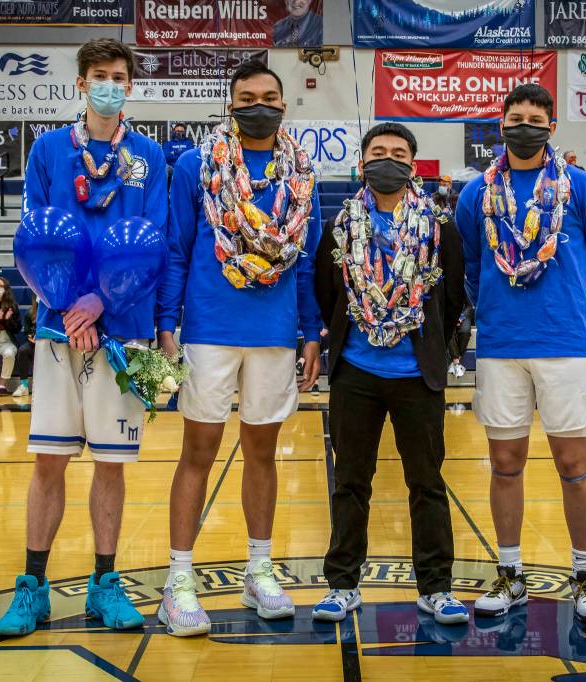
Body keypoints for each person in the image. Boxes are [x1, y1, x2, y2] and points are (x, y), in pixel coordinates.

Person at [0, 38, 168, 637]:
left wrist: (102, 302)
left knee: (112, 467)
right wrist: (70, 304)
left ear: (130, 85)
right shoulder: (47, 151)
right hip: (56, 328)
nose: (109, 85)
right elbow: (36, 239)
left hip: (125, 333)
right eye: (99, 75)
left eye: (119, 76)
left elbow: (156, 242)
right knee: (48, 462)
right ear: (80, 83)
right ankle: (33, 587)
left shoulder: (149, 156)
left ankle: (104, 583)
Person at [155, 61, 323, 637]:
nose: (260, 104)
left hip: (275, 335)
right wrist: (167, 325)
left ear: (283, 104)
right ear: (230, 106)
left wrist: (311, 333)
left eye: (270, 96)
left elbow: (303, 263)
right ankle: (178, 581)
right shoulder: (194, 166)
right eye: (247, 97)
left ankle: (260, 568)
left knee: (261, 454)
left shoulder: (302, 174)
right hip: (207, 329)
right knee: (197, 453)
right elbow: (177, 250)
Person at [456, 83, 586, 624]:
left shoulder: (583, 189)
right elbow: (471, 268)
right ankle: (509, 573)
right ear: (500, 124)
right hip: (502, 347)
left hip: (564, 346)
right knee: (505, 465)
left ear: (552, 127)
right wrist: (502, 312)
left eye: (534, 117)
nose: (523, 124)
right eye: (514, 116)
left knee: (574, 464)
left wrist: (565, 307)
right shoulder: (475, 194)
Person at [311, 123, 468, 625]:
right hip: (355, 372)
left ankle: (436, 587)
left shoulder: (440, 227)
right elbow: (325, 290)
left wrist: (430, 346)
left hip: (416, 375)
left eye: (398, 154)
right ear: (362, 164)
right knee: (351, 481)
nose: (388, 160)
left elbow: (454, 295)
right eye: (378, 152)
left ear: (412, 165)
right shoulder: (340, 225)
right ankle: (342, 584)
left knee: (427, 482)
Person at [13, 303, 38, 398]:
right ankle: (24, 385)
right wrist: (32, 339)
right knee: (23, 350)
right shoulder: (30, 313)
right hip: (34, 344)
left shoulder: (53, 311)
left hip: (51, 344)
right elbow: (28, 333)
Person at [448, 303, 474, 379]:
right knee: (448, 331)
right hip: (448, 317)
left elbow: (470, 306)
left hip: (464, 315)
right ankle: (457, 363)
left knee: (465, 333)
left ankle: (455, 362)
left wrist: (460, 318)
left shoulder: (466, 290)